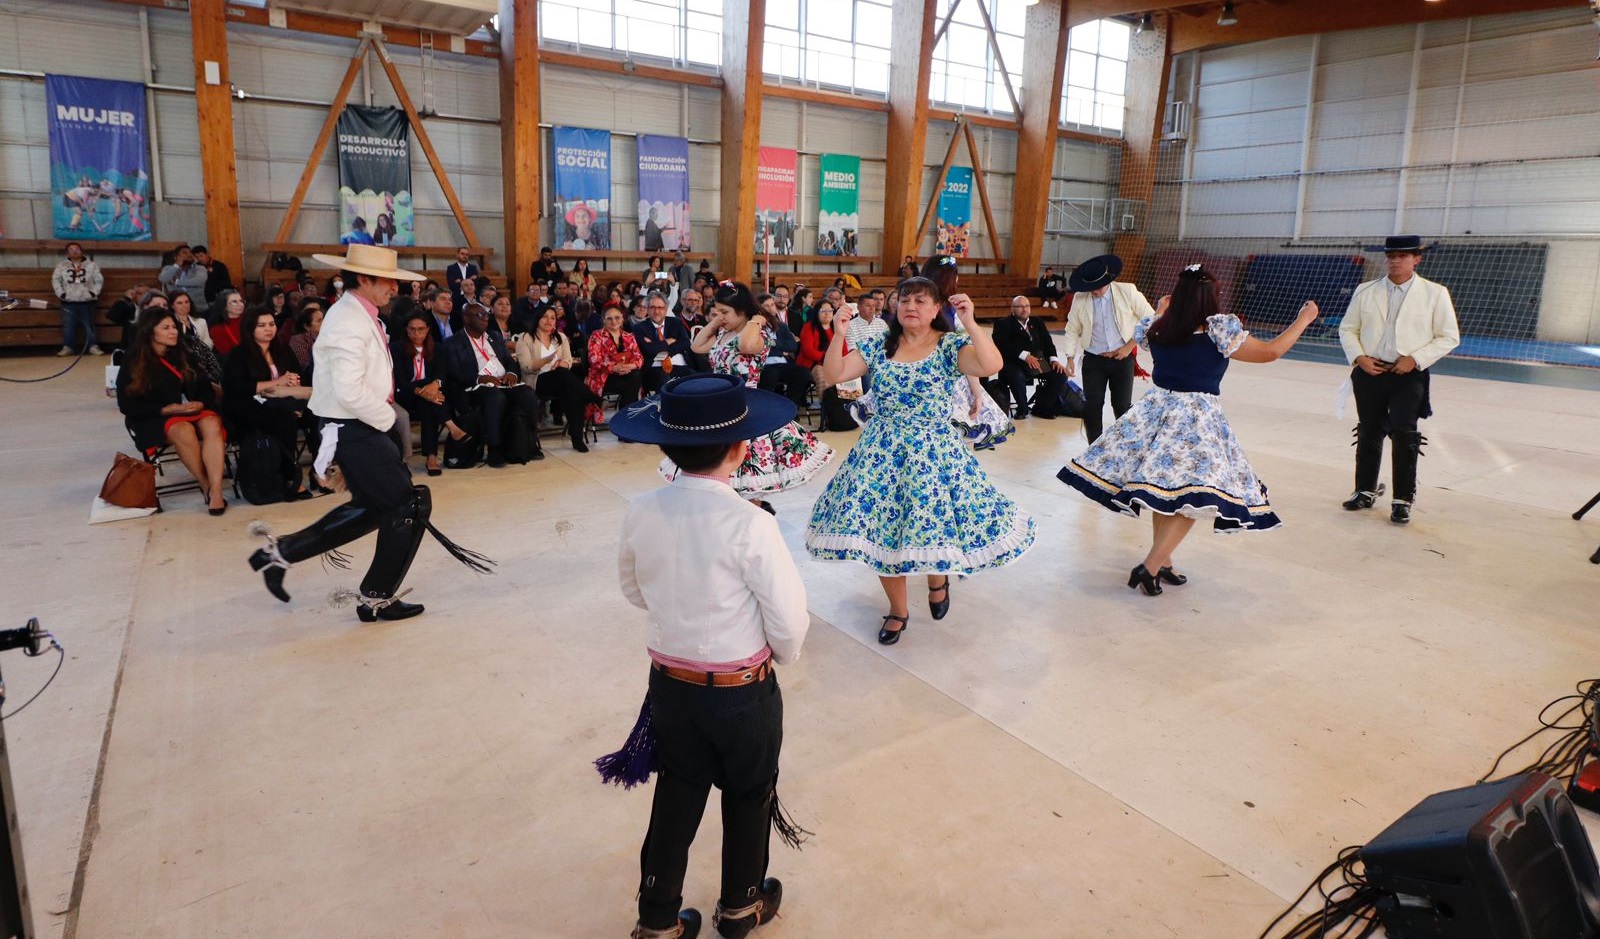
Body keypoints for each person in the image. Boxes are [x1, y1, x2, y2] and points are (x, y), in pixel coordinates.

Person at [602, 373, 810, 939]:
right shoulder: (752, 522)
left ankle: (657, 920)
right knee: (748, 792)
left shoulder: (641, 508)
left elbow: (633, 589)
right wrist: (782, 657)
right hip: (742, 690)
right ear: (742, 450)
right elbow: (788, 621)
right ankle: (742, 906)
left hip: (671, 684)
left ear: (665, 446)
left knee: (677, 792)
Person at [248, 244, 493, 624]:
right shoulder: (347, 321)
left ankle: (282, 554)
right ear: (363, 279)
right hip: (356, 426)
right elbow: (348, 390)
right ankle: (375, 595)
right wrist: (387, 420)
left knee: (384, 505)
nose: (393, 289)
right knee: (408, 504)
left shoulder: (361, 314)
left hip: (358, 424)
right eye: (387, 282)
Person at [1057, 265, 1320, 595]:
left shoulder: (1158, 326)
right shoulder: (1218, 329)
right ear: (1211, 296)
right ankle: (1150, 566)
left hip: (1157, 413)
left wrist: (1162, 310)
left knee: (1165, 493)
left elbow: (1154, 325)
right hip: (1196, 421)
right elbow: (1270, 352)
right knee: (1195, 499)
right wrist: (1304, 320)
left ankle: (1162, 561)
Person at [806, 277, 1034, 644]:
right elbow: (834, 375)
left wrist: (971, 323)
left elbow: (990, 364)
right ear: (896, 307)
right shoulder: (880, 344)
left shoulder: (948, 345)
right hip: (881, 450)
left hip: (934, 451)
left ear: (935, 309)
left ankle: (937, 577)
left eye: (921, 301)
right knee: (881, 533)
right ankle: (898, 610)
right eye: (905, 299)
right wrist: (838, 334)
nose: (911, 306)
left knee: (933, 525)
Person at [671, 282, 834, 515]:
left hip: (745, 406)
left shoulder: (758, 332)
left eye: (725, 312)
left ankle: (754, 518)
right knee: (724, 472)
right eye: (717, 311)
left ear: (743, 310)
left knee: (748, 474)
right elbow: (697, 346)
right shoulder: (723, 331)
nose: (721, 317)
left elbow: (747, 345)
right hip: (721, 406)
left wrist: (755, 319)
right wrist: (718, 320)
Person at [1337, 235, 1461, 525]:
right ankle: (1364, 490)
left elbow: (1449, 336)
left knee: (1405, 435)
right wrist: (1359, 358)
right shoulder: (1365, 290)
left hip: (1408, 374)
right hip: (1370, 372)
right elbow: (1347, 329)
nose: (1395, 261)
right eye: (1391, 256)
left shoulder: (1435, 293)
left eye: (1403, 256)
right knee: (1368, 431)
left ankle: (1402, 499)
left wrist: (1415, 359)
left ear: (1416, 259)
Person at [116, 309, 229, 514]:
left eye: (173, 327)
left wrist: (201, 404)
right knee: (183, 430)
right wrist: (165, 409)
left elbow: (205, 387)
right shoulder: (134, 360)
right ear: (151, 332)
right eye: (166, 328)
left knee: (212, 423)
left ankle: (217, 490)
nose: (173, 332)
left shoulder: (183, 353)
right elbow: (127, 405)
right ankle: (206, 485)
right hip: (154, 416)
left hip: (190, 409)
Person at [222, 305, 314, 501]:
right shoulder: (238, 355)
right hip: (247, 407)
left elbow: (296, 375)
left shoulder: (282, 350)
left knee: (317, 415)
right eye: (261, 325)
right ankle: (291, 477)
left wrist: (293, 381)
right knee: (283, 419)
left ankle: (319, 471)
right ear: (250, 328)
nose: (268, 329)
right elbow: (239, 389)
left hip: (283, 400)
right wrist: (277, 382)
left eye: (271, 324)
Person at [1062, 254, 1156, 443]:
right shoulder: (1080, 298)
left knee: (1122, 406)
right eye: (1090, 288)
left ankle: (1124, 447)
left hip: (1122, 359)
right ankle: (1094, 449)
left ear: (1107, 281)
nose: (1094, 292)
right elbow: (1072, 329)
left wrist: (1129, 346)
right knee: (1092, 406)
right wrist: (1070, 357)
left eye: (1097, 288)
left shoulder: (1127, 291)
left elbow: (1151, 318)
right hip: (1093, 360)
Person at [443, 304, 543, 467]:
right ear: (466, 318)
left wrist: (511, 374)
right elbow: (454, 373)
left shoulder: (495, 336)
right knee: (494, 397)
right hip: (473, 389)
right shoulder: (453, 342)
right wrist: (479, 379)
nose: (485, 318)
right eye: (480, 316)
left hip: (501, 382)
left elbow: (510, 361)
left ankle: (529, 444)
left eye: (486, 315)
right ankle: (494, 448)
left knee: (527, 393)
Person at [396, 312, 469, 477]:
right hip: (407, 395)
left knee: (428, 407)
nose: (416, 333)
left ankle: (431, 457)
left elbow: (441, 374)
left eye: (421, 329)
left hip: (430, 396)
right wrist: (424, 391)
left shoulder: (437, 348)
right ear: (406, 330)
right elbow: (400, 381)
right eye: (412, 329)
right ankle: (452, 428)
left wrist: (434, 385)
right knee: (429, 397)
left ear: (428, 329)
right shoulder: (397, 348)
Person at [517, 306, 598, 453]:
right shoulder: (526, 338)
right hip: (537, 381)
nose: (549, 320)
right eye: (545, 316)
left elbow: (568, 360)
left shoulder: (560, 337)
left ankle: (577, 439)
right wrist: (545, 360)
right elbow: (526, 366)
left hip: (560, 380)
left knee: (573, 393)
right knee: (566, 379)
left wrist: (562, 363)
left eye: (552, 317)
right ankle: (592, 397)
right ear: (538, 318)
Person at [990, 295, 1069, 419]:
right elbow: (1002, 345)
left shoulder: (1037, 321)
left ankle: (1042, 408)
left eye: (1027, 306)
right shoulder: (1002, 324)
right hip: (1013, 362)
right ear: (1012, 309)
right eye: (1020, 306)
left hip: (1037, 361)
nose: (1024, 309)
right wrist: (1025, 355)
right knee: (1016, 375)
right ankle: (1023, 408)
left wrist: (1054, 359)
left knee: (1060, 374)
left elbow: (1048, 342)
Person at [585, 306, 646, 425]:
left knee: (636, 375)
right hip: (604, 378)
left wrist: (630, 366)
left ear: (622, 318)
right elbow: (594, 360)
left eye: (617, 317)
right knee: (631, 384)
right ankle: (626, 423)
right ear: (603, 320)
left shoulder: (629, 336)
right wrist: (614, 368)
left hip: (626, 374)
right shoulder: (596, 336)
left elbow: (639, 358)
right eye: (609, 318)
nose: (614, 321)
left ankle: (624, 423)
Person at [633, 292, 695, 394]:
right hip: (655, 368)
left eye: (660, 308)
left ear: (666, 309)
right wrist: (668, 341)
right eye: (652, 307)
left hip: (680, 365)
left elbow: (685, 343)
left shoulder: (676, 323)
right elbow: (648, 350)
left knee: (695, 379)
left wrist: (662, 349)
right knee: (664, 381)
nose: (656, 311)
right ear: (648, 309)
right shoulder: (639, 328)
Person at [52, 242, 104, 356]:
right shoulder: (61, 266)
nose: (74, 251)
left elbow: (99, 280)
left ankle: (93, 346)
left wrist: (93, 292)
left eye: (77, 249)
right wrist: (61, 294)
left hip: (87, 300)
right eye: (71, 249)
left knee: (89, 324)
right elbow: (56, 280)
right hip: (69, 300)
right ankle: (68, 346)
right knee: (68, 324)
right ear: (67, 253)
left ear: (81, 251)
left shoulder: (91, 265)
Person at [207, 289, 247, 357]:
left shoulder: (251, 320)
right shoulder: (217, 329)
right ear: (225, 306)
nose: (240, 304)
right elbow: (227, 354)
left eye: (241, 301)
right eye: (234, 302)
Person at [289, 299, 324, 372]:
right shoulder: (298, 340)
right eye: (319, 321)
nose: (324, 323)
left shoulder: (329, 336)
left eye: (324, 319)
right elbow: (305, 366)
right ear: (306, 326)